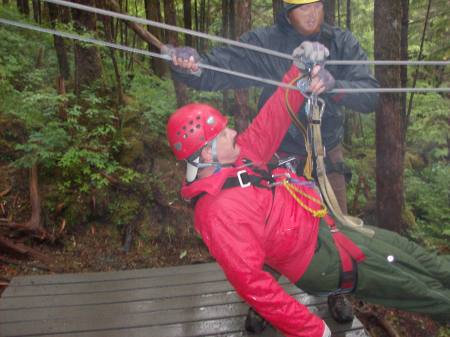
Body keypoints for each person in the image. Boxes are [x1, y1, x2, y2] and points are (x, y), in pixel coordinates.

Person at [166, 45, 450, 337]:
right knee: (411, 285)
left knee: (411, 253)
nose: (234, 133)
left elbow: (273, 116)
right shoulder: (217, 213)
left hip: (327, 228)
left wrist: (297, 71)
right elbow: (253, 285)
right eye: (223, 134)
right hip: (319, 259)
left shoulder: (241, 157)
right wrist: (313, 330)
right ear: (207, 155)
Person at [168, 0, 379, 323]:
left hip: (325, 155)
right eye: (302, 7)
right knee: (269, 231)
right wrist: (192, 66)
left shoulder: (342, 42)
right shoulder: (265, 44)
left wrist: (336, 87)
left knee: (337, 223)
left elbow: (370, 96)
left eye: (317, 5)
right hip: (279, 155)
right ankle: (265, 304)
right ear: (286, 11)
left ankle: (337, 291)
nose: (312, 13)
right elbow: (219, 69)